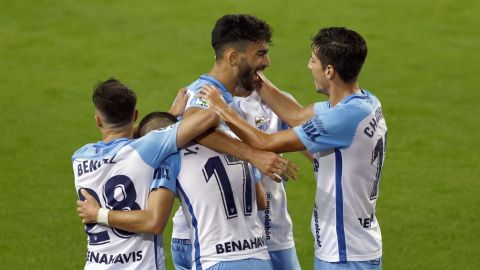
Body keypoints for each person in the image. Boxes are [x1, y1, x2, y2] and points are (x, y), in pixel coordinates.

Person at [199, 26, 387, 270]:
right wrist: (256, 79)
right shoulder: (363, 102)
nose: (310, 66)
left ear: (329, 71)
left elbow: (264, 143)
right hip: (356, 242)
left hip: (344, 252)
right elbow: (297, 115)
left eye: (313, 60)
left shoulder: (342, 118)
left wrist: (223, 109)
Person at [171, 14, 301, 270]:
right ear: (233, 57)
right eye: (260, 54)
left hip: (231, 237)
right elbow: (191, 127)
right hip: (212, 241)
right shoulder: (204, 93)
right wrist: (254, 155)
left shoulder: (226, 97)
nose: (267, 61)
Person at [73, 78, 221, 270]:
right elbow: (208, 117)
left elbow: (119, 143)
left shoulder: (80, 157)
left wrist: (167, 116)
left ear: (98, 120)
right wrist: (171, 119)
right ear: (135, 115)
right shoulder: (148, 150)